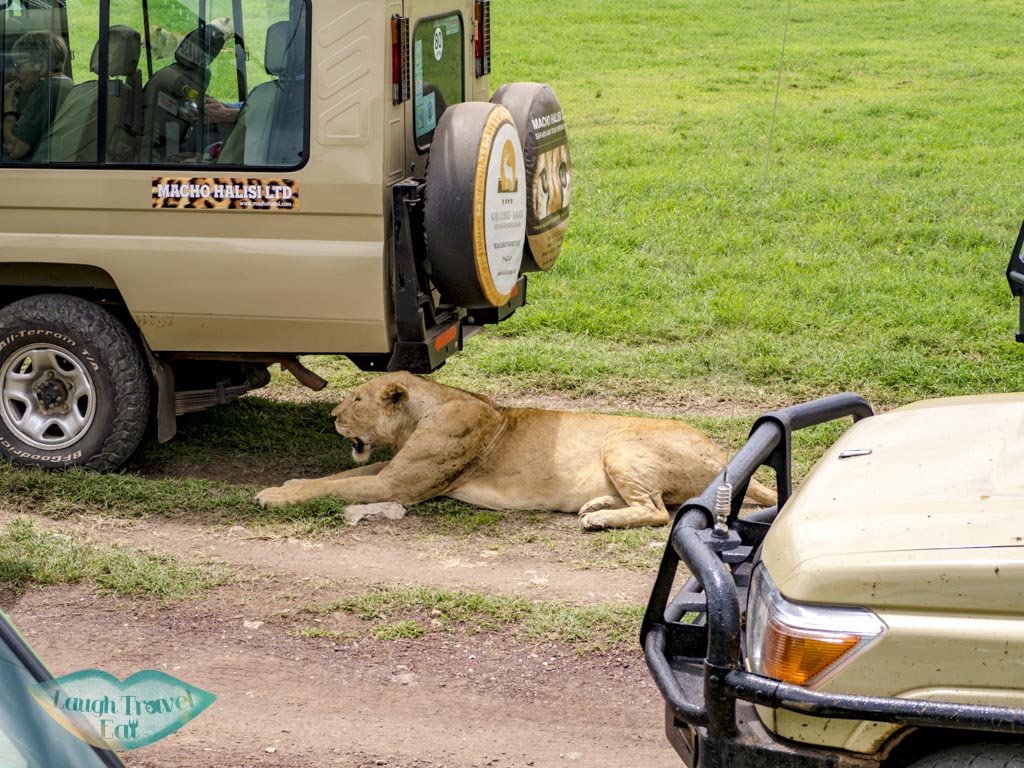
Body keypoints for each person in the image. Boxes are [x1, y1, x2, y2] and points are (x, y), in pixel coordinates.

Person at [2, 31, 73, 161]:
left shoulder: (45, 91)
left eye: (19, 66)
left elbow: (14, 149)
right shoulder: (67, 85)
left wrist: (9, 109)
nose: (14, 73)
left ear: (42, 66)